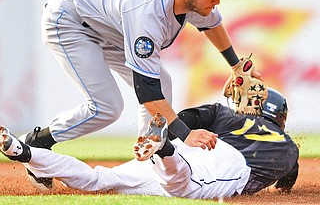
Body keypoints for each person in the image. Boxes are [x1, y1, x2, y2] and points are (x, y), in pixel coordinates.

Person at [20, 0, 261, 189]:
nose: (217, 0)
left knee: (163, 82)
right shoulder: (149, 14)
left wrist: (236, 65)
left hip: (107, 25)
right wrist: (185, 134)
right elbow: (147, 93)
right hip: (69, 20)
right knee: (107, 107)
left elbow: (213, 24)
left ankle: (150, 154)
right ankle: (38, 142)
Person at [0, 88, 299, 198]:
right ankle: (162, 149)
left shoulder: (224, 112)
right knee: (183, 187)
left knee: (101, 179)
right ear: (280, 117)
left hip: (191, 144)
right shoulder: (288, 147)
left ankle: (26, 152)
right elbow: (288, 178)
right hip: (228, 162)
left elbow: (185, 116)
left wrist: (178, 135)